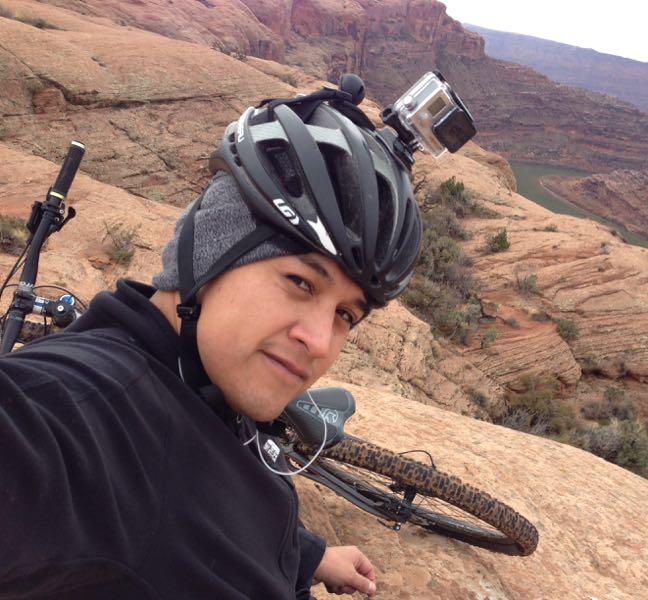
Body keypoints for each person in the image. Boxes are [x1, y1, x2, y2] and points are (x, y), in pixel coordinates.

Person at [0, 78, 422, 598]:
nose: (319, 341)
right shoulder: (91, 414)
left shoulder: (209, 380)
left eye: (344, 315)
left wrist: (307, 556)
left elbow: (221, 514)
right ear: (207, 259)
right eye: (299, 282)